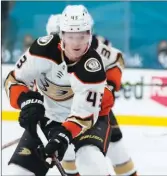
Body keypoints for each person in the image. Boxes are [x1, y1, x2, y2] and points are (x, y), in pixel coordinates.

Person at [4, 5, 114, 175]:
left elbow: (83, 116)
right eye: (70, 36)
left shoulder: (92, 67)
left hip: (87, 124)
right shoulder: (41, 50)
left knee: (91, 163)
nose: (76, 43)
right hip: (48, 119)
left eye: (82, 36)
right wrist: (26, 102)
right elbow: (14, 80)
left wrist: (63, 135)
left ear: (90, 35)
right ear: (61, 35)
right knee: (16, 173)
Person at [45, 12, 137, 176]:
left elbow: (116, 60)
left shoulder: (92, 45)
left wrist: (109, 87)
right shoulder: (43, 54)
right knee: (69, 159)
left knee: (118, 155)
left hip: (94, 110)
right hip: (63, 113)